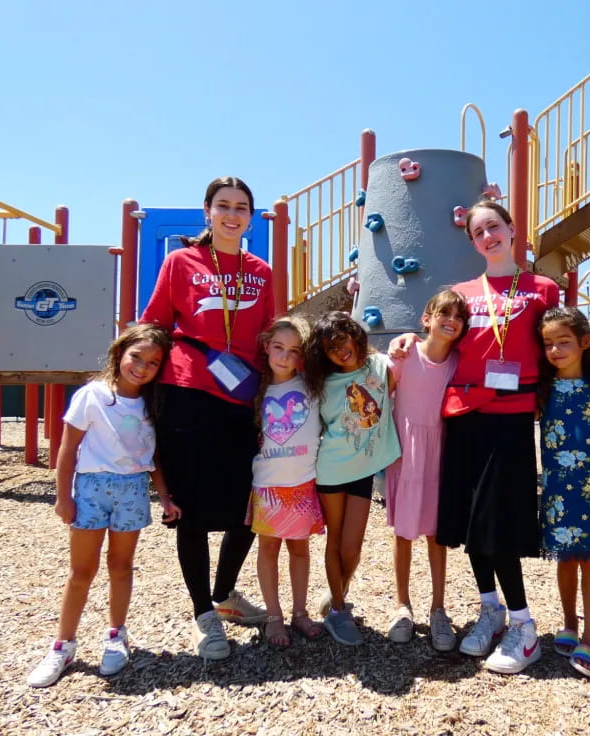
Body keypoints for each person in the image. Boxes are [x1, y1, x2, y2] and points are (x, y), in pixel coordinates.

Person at [392, 200, 559, 674]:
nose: (488, 236)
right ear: (472, 242)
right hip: (462, 415)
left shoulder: (542, 289)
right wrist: (406, 337)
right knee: (469, 523)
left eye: (495, 227)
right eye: (478, 231)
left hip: (511, 415)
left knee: (499, 522)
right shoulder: (465, 293)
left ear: (511, 230)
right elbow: (439, 335)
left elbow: (559, 347)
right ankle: (491, 609)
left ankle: (525, 627)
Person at [141, 176, 274, 660]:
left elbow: (268, 337)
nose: (232, 214)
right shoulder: (181, 262)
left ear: (250, 217)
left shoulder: (262, 270)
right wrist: (133, 382)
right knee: (192, 512)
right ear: (207, 212)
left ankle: (224, 595)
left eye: (241, 207)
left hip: (240, 398)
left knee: (248, 508)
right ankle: (203, 616)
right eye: (224, 206)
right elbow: (154, 322)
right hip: (186, 392)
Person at [27, 324, 179, 687]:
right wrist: (63, 497)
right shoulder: (92, 395)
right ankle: (63, 645)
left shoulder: (152, 403)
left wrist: (165, 495)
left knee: (121, 566)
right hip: (92, 488)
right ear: (119, 354)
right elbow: (67, 450)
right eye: (136, 357)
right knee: (81, 571)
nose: (142, 367)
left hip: (132, 490)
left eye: (153, 362)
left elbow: (152, 454)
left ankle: (115, 635)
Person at [304, 311, 401, 646]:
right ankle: (339, 610)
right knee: (335, 541)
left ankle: (337, 594)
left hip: (363, 470)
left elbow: (408, 354)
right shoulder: (320, 382)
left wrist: (409, 339)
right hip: (331, 469)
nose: (339, 350)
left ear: (355, 335)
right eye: (330, 347)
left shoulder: (381, 368)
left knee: (353, 547)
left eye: (343, 339)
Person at [538, 307, 590, 678]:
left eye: (563, 342)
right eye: (548, 344)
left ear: (584, 343)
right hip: (557, 487)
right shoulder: (541, 390)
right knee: (564, 558)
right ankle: (569, 623)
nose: (555, 350)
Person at [385, 289, 469, 651]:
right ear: (426, 319)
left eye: (458, 316)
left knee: (437, 535)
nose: (450, 321)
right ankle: (402, 605)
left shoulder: (459, 363)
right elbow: (380, 390)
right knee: (403, 534)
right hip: (405, 450)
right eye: (443, 314)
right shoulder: (405, 354)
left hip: (441, 452)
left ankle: (438, 608)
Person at [249, 315, 325, 647]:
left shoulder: (312, 386)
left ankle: (300, 612)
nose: (284, 356)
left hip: (303, 484)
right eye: (278, 347)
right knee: (268, 549)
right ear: (266, 347)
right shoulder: (253, 389)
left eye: (294, 351)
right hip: (267, 486)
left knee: (300, 550)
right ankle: (273, 616)